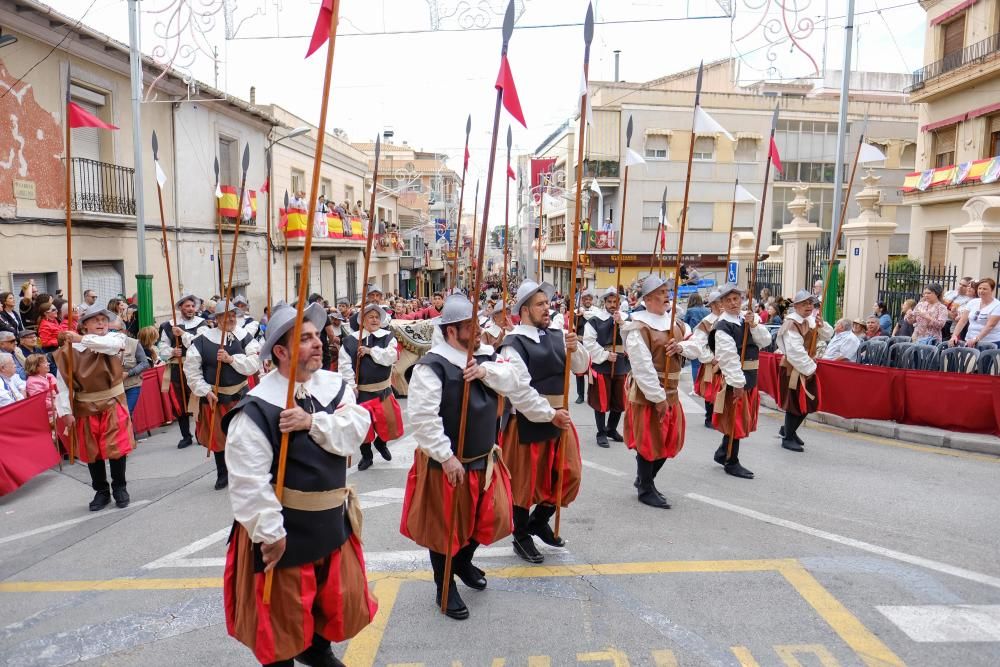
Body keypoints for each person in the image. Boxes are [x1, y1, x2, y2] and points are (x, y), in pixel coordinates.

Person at [220, 302, 377, 667]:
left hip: (330, 526)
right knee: (280, 634)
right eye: (305, 339)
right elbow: (248, 483)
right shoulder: (256, 410)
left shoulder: (335, 387)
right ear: (280, 351)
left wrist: (312, 423)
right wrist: (271, 534)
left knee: (324, 610)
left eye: (316, 335)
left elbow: (356, 431)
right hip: (284, 533)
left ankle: (318, 650)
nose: (318, 343)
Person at [400, 294, 519, 620]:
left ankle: (464, 562)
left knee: (486, 520)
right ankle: (444, 586)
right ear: (453, 331)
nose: (479, 330)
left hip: (484, 460)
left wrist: (482, 372)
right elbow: (423, 419)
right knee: (445, 529)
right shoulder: (432, 367)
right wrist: (446, 457)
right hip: (447, 465)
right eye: (472, 325)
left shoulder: (484, 357)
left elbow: (514, 380)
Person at [498, 281, 589, 564]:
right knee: (524, 485)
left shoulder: (558, 335)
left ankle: (539, 520)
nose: (547, 308)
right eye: (540, 304)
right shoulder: (512, 345)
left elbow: (581, 367)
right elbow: (520, 392)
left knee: (567, 475)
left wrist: (577, 348)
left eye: (547, 303)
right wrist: (549, 414)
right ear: (525, 310)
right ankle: (521, 534)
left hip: (558, 418)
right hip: (527, 420)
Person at [622, 276, 700, 508]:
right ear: (647, 298)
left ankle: (645, 480)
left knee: (669, 440)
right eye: (661, 291)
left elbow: (698, 347)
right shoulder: (638, 326)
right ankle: (645, 487)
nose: (667, 295)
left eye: (667, 291)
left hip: (672, 390)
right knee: (649, 441)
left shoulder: (676, 323)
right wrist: (657, 398)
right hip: (650, 392)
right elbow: (642, 366)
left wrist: (681, 346)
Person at [54, 303, 136, 510]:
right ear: (84, 325)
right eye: (95, 320)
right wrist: (66, 412)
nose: (101, 323)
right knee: (93, 452)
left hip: (112, 402)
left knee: (116, 448)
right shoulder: (68, 352)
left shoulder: (115, 339)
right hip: (85, 404)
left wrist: (80, 339)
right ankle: (101, 491)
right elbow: (63, 385)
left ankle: (120, 487)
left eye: (104, 320)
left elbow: (109, 346)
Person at [185, 302, 262, 490]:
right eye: (225, 316)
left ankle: (244, 473)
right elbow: (192, 371)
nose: (230, 319)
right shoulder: (202, 341)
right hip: (215, 396)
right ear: (217, 318)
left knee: (244, 436)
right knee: (219, 437)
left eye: (233, 315)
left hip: (240, 395)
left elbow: (253, 364)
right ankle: (222, 472)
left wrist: (231, 359)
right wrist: (205, 391)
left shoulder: (246, 337)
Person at [709, 284, 772, 479]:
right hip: (737, 379)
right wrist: (737, 383)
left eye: (736, 299)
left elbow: (766, 341)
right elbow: (728, 357)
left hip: (750, 377)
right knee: (735, 420)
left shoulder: (747, 319)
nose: (733, 303)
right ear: (721, 304)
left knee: (738, 420)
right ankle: (731, 461)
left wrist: (754, 325)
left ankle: (722, 452)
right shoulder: (722, 327)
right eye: (728, 300)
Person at [339, 303, 402, 471]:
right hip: (363, 392)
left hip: (383, 389)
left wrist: (370, 351)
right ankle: (366, 455)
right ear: (362, 321)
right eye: (370, 317)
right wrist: (351, 386)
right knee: (364, 427)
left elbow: (392, 356)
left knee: (389, 421)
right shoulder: (350, 341)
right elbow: (345, 366)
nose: (374, 320)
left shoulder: (388, 337)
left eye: (376, 317)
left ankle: (381, 443)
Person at [776, 290, 834, 452]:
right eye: (804, 303)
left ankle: (789, 431)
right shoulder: (791, 324)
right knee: (794, 403)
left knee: (808, 402)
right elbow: (794, 351)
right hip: (793, 368)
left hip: (806, 365)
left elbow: (827, 335)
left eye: (810, 303)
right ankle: (787, 437)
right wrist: (810, 368)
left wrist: (822, 325)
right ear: (796, 306)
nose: (808, 306)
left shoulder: (810, 320)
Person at [157, 294, 207, 448]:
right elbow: (161, 346)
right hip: (177, 368)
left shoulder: (202, 324)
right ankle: (186, 435)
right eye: (187, 306)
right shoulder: (168, 326)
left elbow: (200, 342)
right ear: (180, 308)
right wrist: (172, 352)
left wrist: (183, 334)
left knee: (199, 401)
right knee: (181, 403)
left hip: (196, 368)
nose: (191, 309)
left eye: (192, 306)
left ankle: (201, 433)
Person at [582, 287, 630, 448]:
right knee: (601, 400)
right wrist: (605, 355)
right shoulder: (595, 320)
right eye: (609, 302)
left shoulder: (626, 318)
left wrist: (622, 324)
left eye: (615, 302)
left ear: (619, 302)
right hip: (602, 363)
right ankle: (601, 432)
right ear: (604, 303)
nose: (612, 305)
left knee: (620, 401)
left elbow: (633, 339)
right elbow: (589, 342)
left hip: (621, 363)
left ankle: (611, 429)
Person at [691, 291, 723, 428]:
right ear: (713, 305)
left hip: (727, 362)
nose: (721, 304)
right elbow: (699, 343)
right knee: (710, 391)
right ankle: (709, 417)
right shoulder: (706, 323)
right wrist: (711, 358)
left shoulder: (729, 319)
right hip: (712, 362)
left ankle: (721, 417)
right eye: (719, 302)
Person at [113, 317, 150, 415]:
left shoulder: (134, 343)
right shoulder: (104, 345)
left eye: (114, 330)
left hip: (132, 385)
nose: (112, 334)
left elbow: (144, 363)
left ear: (124, 331)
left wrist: (129, 373)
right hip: (113, 388)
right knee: (116, 416)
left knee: (126, 413)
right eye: (109, 330)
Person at [950, 277, 1000, 347]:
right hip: (969, 340)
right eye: (980, 288)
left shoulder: (997, 305)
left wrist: (976, 339)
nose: (981, 291)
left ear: (992, 290)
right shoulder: (973, 302)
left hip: (990, 342)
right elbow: (963, 321)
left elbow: (990, 326)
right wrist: (954, 335)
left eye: (984, 289)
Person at [573, 289, 599, 404]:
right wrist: (578, 316)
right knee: (579, 371)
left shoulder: (597, 313)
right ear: (582, 300)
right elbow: (575, 326)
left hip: (592, 345)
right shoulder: (577, 312)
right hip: (581, 343)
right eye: (585, 299)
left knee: (591, 372)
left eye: (589, 299)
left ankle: (591, 395)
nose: (587, 301)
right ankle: (580, 395)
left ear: (592, 300)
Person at [25, 353, 58, 426]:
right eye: (45, 362)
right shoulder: (32, 382)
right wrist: (59, 405)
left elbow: (59, 390)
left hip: (59, 410)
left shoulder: (50, 375)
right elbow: (41, 402)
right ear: (36, 367)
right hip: (49, 415)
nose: (48, 364)